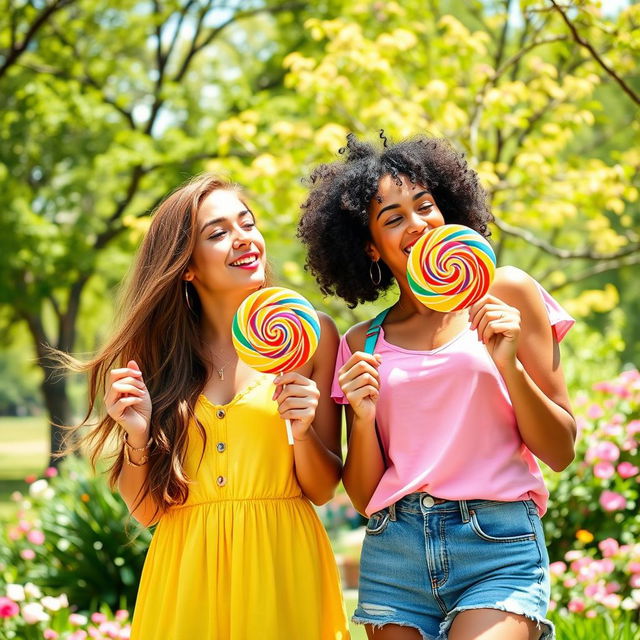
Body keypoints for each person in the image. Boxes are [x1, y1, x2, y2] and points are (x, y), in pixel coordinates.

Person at [297, 133, 576, 640]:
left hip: (497, 542)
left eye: (424, 206)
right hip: (395, 554)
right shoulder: (364, 341)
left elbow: (560, 450)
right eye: (393, 218)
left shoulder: (507, 293)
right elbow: (363, 498)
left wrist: (508, 364)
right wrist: (361, 417)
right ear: (370, 248)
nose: (417, 223)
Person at [72, 174, 350, 639]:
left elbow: (322, 489)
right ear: (186, 266)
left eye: (248, 223)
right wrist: (138, 434)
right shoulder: (157, 357)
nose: (244, 239)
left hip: (282, 567)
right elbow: (146, 511)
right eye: (218, 233)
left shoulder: (311, 337)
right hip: (185, 574)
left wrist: (301, 432)